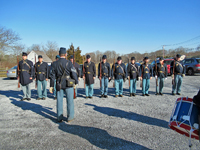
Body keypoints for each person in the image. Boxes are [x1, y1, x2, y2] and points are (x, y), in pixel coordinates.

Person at [49, 47, 78, 123]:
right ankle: (70, 117)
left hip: (59, 84)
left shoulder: (54, 64)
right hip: (69, 84)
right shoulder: (69, 63)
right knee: (70, 101)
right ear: (65, 54)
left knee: (59, 101)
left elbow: (52, 76)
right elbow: (74, 74)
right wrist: (76, 82)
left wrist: (51, 86)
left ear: (59, 54)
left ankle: (59, 117)